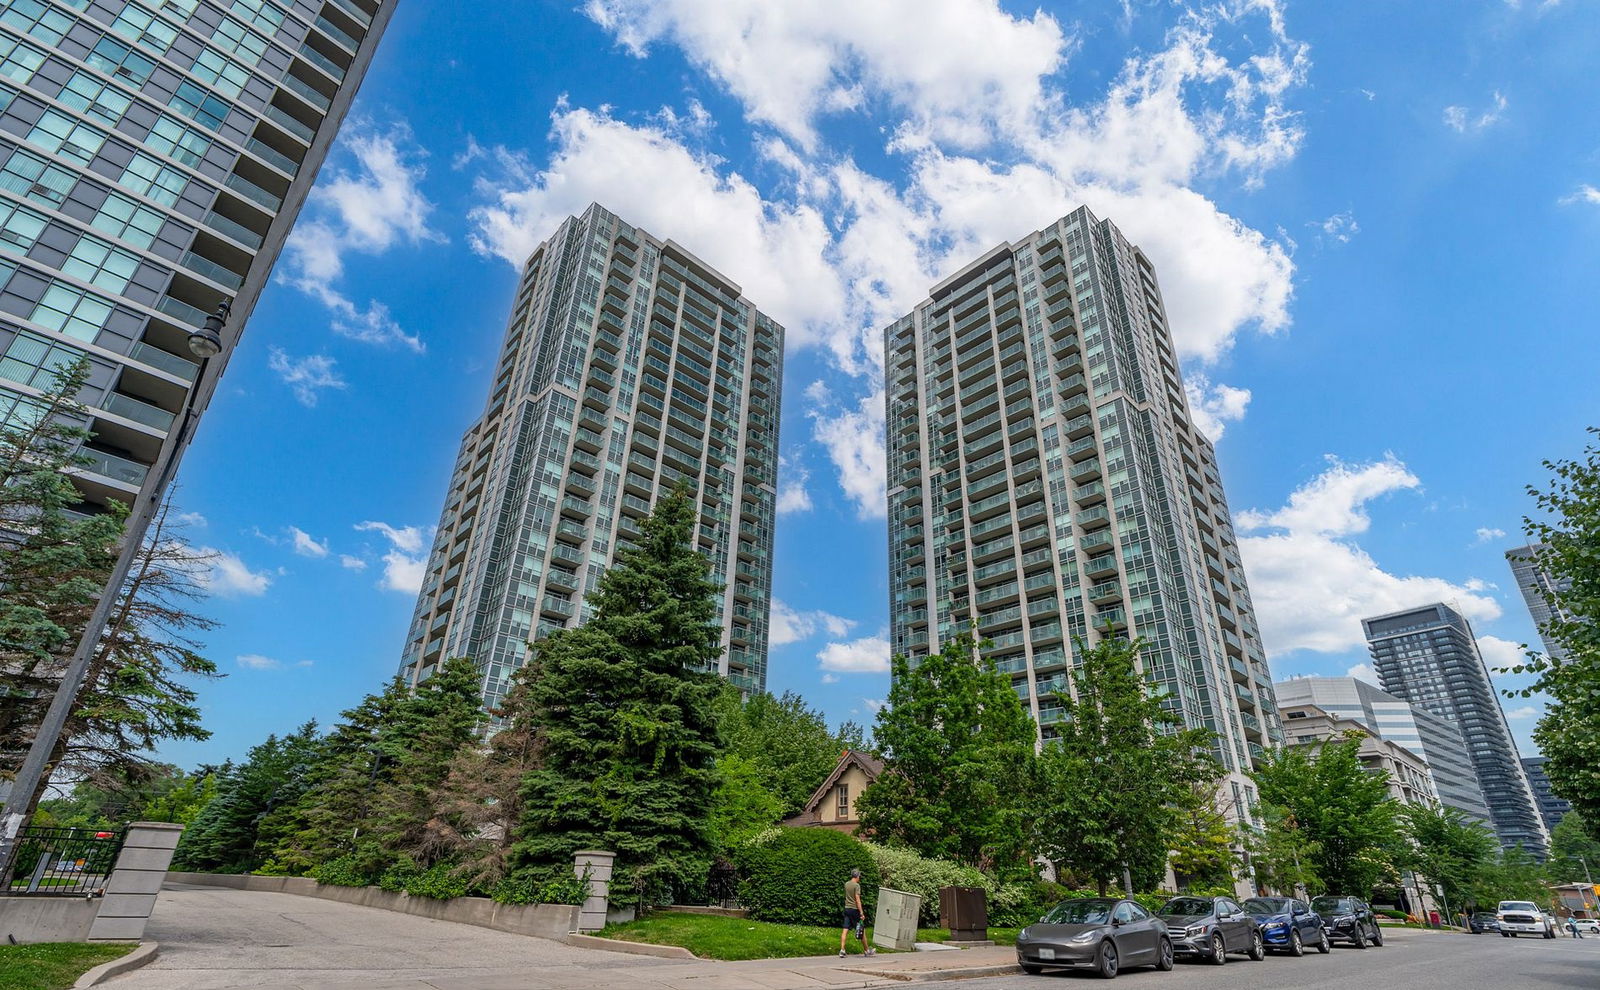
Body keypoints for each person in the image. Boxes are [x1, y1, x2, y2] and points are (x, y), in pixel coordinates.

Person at [839, 867, 875, 957]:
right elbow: (857, 899)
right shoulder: (857, 886)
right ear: (857, 876)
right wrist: (861, 912)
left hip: (847, 909)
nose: (860, 878)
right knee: (861, 930)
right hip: (854, 910)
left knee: (845, 929)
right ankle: (867, 951)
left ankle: (842, 950)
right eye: (859, 876)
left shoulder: (846, 884)